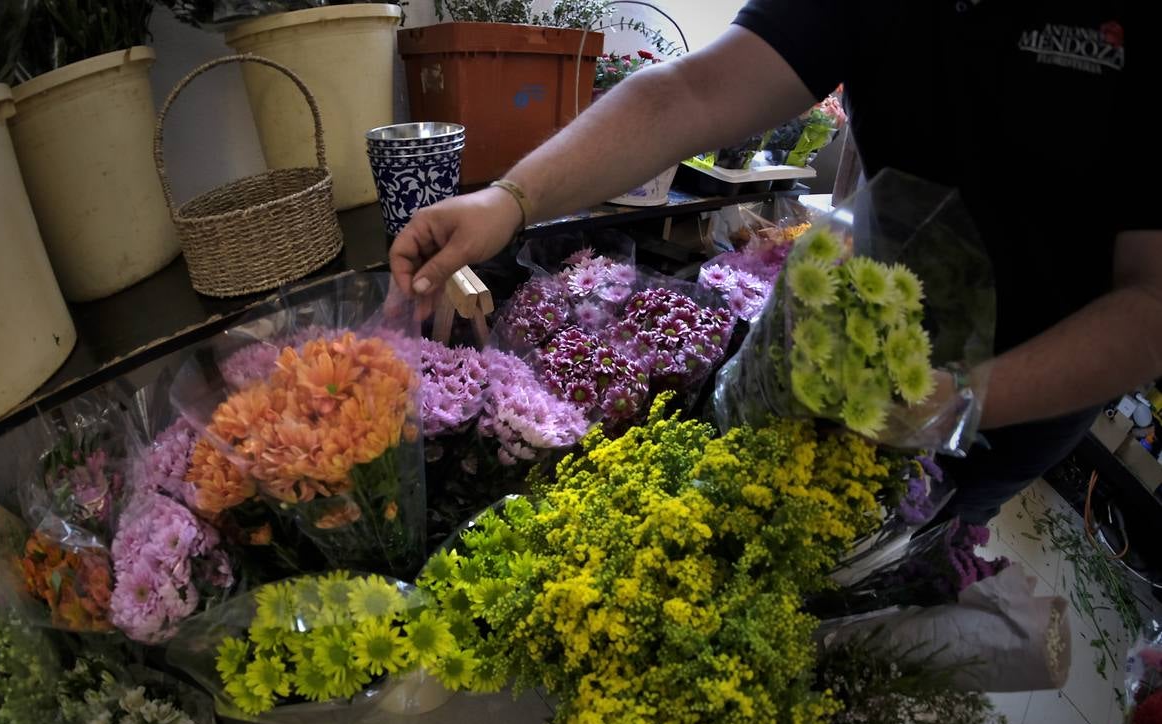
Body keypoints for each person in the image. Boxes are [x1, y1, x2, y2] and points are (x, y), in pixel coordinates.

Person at [390, 0, 1161, 524]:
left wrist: (961, 401)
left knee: (911, 569)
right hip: (838, 341)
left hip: (1016, 398)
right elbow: (693, 91)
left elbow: (1151, 304)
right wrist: (510, 199)